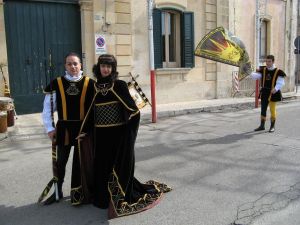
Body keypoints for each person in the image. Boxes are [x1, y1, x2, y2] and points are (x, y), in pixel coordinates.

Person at [78, 54, 171, 219]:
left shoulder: (118, 85)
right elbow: (90, 112)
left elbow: (134, 111)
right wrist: (84, 131)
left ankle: (117, 197)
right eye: (103, 66)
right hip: (100, 136)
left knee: (116, 166)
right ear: (98, 68)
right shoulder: (95, 86)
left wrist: (128, 134)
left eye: (109, 66)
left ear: (113, 69)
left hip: (117, 136)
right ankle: (102, 198)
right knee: (101, 166)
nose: (105, 69)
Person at [42, 52, 95, 205]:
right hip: (64, 128)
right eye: (69, 63)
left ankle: (85, 191)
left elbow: (96, 107)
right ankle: (57, 191)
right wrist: (49, 128)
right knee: (61, 162)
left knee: (85, 162)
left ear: (80, 65)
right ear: (65, 66)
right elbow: (47, 108)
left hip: (83, 130)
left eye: (75, 63)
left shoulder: (90, 83)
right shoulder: (56, 83)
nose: (73, 66)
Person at [251, 55, 286, 132]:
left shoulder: (278, 71)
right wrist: (249, 72)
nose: (267, 63)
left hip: (273, 93)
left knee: (272, 110)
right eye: (266, 61)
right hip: (264, 92)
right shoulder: (263, 70)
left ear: (273, 61)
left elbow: (281, 82)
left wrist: (276, 88)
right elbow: (256, 76)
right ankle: (262, 125)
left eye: (269, 61)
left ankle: (272, 126)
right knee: (263, 109)